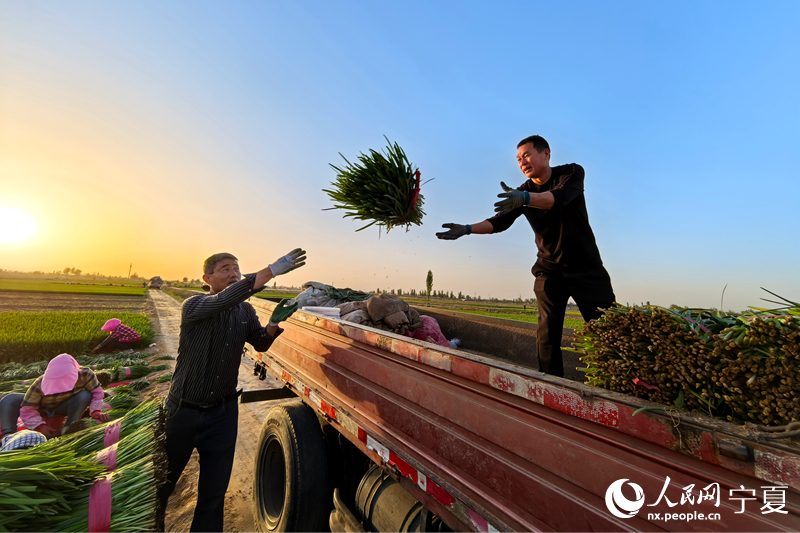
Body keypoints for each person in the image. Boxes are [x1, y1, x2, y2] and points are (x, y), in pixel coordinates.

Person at [436, 135, 615, 377]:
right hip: (549, 269)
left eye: (526, 155)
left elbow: (560, 198)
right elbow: (499, 222)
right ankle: (550, 386)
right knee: (547, 333)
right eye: (518, 159)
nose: (522, 162)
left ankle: (619, 382)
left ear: (546, 153)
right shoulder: (521, 193)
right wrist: (467, 229)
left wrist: (526, 199)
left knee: (609, 331)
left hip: (588, 269)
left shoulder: (571, 173)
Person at [158, 248, 307, 532]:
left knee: (213, 494)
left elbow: (261, 343)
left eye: (236, 269)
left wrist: (274, 324)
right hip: (182, 412)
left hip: (222, 415)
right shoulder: (194, 305)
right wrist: (272, 270)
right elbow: (227, 297)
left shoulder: (245, 311)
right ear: (207, 277)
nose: (233, 274)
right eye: (225, 269)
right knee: (162, 484)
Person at [0, 353, 109, 440]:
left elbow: (97, 392)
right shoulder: (39, 383)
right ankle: (8, 435)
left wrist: (95, 411)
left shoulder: (85, 375)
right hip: (42, 406)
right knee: (10, 399)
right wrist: (40, 426)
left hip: (64, 406)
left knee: (84, 395)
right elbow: (27, 408)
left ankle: (69, 427)